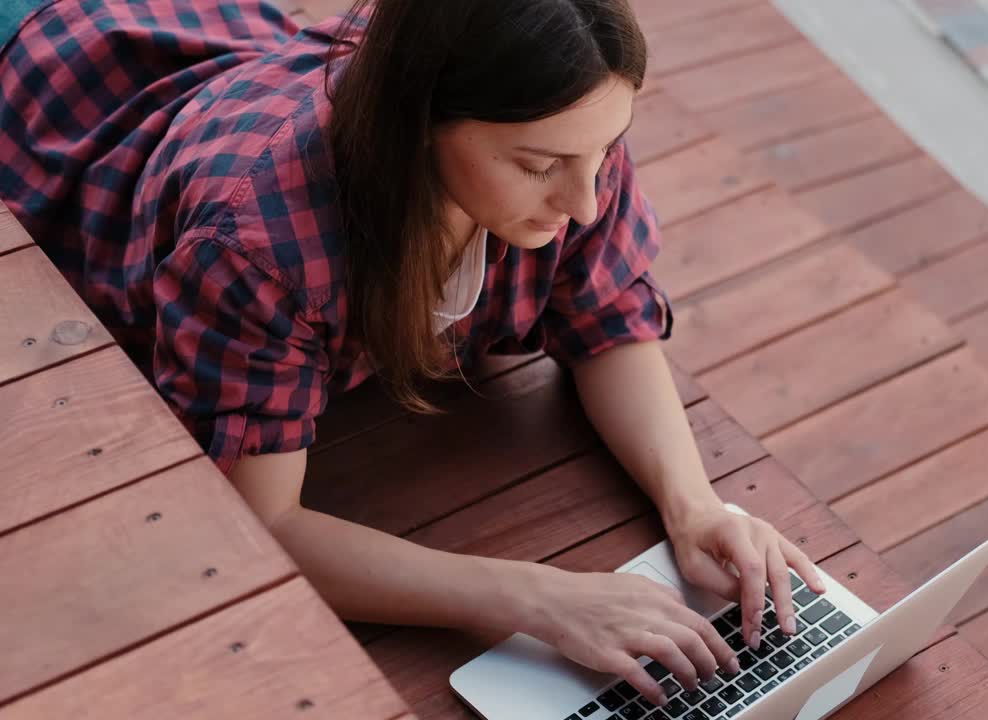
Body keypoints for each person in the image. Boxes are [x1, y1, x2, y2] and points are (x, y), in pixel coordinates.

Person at [0, 0, 827, 706]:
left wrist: (696, 508)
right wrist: (534, 597)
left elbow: (610, 319)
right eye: (540, 166)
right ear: (417, 125)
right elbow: (261, 520)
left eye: (605, 150)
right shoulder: (256, 241)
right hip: (52, 67)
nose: (582, 202)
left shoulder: (567, 126)